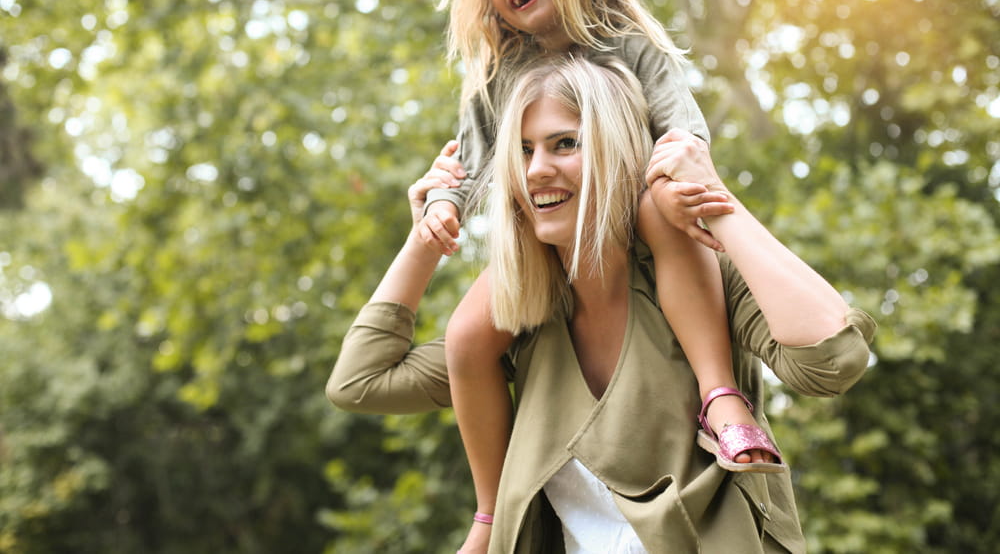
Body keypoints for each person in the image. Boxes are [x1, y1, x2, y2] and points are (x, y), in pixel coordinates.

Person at [327, 54, 876, 553]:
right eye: (523, 151)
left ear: (617, 150)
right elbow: (359, 382)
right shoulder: (529, 325)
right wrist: (425, 238)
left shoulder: (697, 277)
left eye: (565, 143)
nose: (536, 169)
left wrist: (715, 199)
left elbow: (833, 360)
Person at [411, 0, 772, 550]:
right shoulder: (500, 77)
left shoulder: (630, 47)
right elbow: (466, 161)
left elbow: (684, 127)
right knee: (465, 335)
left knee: (655, 204)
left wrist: (677, 172)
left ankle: (720, 395)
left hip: (639, 222)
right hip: (557, 235)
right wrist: (442, 205)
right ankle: (489, 513)